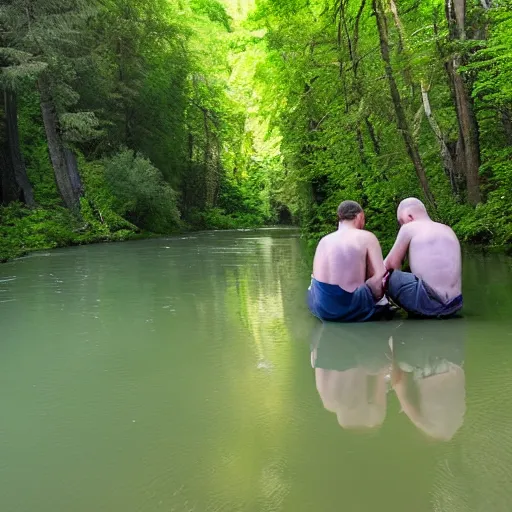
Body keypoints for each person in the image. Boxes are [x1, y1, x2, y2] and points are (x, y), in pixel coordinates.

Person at [307, 200, 387, 322]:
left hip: (323, 309)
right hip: (353, 309)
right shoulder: (367, 237)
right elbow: (380, 277)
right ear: (360, 216)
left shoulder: (324, 241)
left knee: (312, 282)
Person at [384, 197, 463, 317]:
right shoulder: (448, 229)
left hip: (429, 303)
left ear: (409, 216)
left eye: (401, 221)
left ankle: (381, 306)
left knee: (387, 274)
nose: (401, 226)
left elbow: (390, 264)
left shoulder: (409, 227)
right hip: (454, 304)